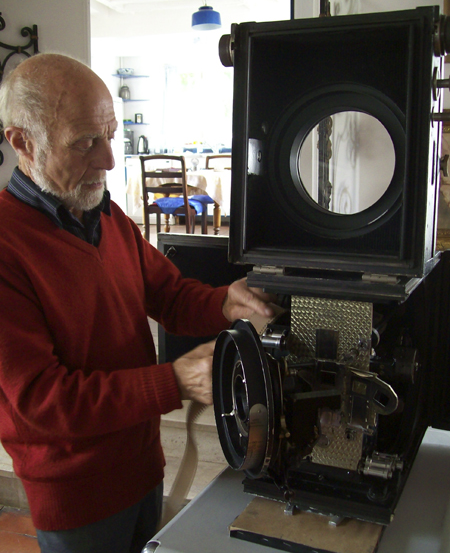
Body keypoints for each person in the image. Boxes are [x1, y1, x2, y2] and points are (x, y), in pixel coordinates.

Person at [0, 53, 275, 553]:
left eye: (111, 136)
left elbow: (168, 294)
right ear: (22, 141)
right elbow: (45, 402)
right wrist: (172, 382)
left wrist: (223, 304)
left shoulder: (102, 214)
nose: (108, 159)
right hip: (78, 496)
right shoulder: (6, 247)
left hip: (142, 465)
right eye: (85, 142)